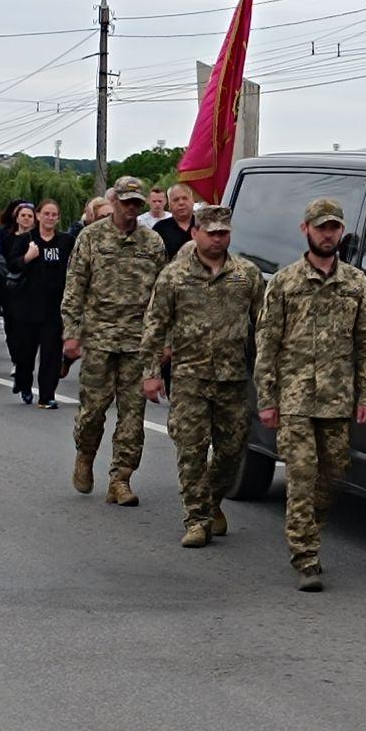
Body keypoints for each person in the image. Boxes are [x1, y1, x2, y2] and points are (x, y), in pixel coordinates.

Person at [254, 197, 366, 592]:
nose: (327, 234)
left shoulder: (356, 283)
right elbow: (267, 344)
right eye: (320, 227)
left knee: (332, 475)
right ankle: (306, 556)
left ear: (342, 232)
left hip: (337, 397)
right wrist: (267, 399)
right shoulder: (285, 282)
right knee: (301, 475)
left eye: (334, 228)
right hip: (294, 399)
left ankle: (310, 526)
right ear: (305, 230)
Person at [140, 205, 263, 547]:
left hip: (232, 377)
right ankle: (196, 519)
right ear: (195, 233)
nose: (217, 239)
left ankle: (211, 500)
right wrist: (151, 373)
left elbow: (264, 327)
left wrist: (268, 372)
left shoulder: (247, 275)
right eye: (211, 233)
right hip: (190, 377)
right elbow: (155, 326)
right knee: (191, 449)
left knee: (232, 450)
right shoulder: (174, 275)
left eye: (223, 233)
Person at [61, 177, 168, 504]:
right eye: (126, 202)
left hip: (138, 341)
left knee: (133, 416)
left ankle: (120, 479)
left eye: (137, 202)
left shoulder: (152, 243)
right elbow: (75, 287)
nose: (132, 208)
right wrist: (71, 333)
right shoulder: (91, 238)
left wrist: (163, 340)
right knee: (93, 411)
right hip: (99, 338)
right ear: (114, 202)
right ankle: (85, 453)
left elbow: (162, 297)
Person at [5, 199, 69, 406]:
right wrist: (27, 257)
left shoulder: (66, 241)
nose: (50, 218)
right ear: (38, 216)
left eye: (54, 215)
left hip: (54, 307)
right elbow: (12, 266)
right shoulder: (26, 240)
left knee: (51, 354)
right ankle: (24, 384)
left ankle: (46, 395)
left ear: (58, 218)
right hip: (28, 307)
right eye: (46, 214)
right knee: (26, 353)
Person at [151, 184, 196, 261]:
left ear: (193, 201)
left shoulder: (204, 224)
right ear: (169, 205)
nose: (181, 203)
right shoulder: (160, 228)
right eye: (176, 200)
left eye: (185, 198)